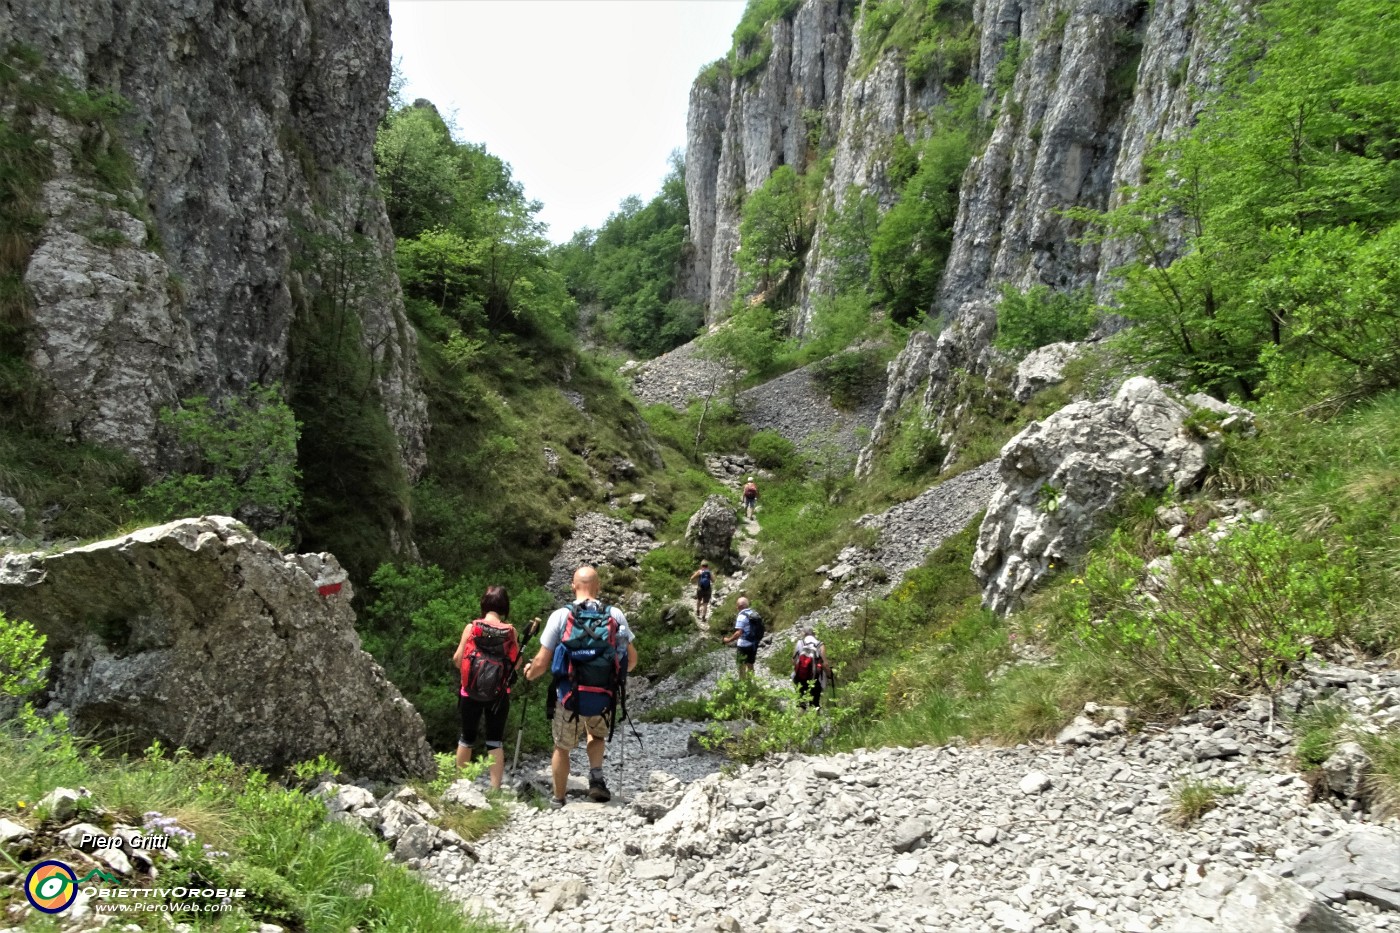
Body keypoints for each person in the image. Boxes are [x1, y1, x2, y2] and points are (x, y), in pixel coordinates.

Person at [523, 566, 638, 809]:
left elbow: (542, 663)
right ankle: (596, 778)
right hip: (603, 695)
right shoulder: (615, 615)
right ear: (598, 587)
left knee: (562, 747)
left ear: (573, 586)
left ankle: (559, 799)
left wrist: (529, 674)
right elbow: (632, 660)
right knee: (596, 734)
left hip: (569, 696)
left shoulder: (560, 616)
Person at [451, 585, 524, 790]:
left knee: (466, 738)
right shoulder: (510, 632)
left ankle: (461, 786)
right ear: (504, 607)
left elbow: (458, 659)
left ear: (484, 604)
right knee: (495, 740)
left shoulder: (472, 627)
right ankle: (495, 790)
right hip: (499, 695)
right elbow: (516, 663)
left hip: (469, 691)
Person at [721, 596, 763, 679]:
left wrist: (728, 640)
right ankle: (751, 684)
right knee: (750, 664)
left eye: (737, 605)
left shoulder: (741, 616)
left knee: (741, 666)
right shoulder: (754, 613)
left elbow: (738, 633)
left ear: (739, 606)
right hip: (753, 643)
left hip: (743, 645)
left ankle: (742, 683)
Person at [792, 627, 828, 709]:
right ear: (814, 634)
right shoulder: (820, 645)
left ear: (804, 634)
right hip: (815, 680)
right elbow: (825, 664)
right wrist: (829, 674)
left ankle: (799, 719)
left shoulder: (799, 643)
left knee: (801, 703)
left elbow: (793, 661)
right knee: (815, 704)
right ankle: (814, 719)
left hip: (800, 678)